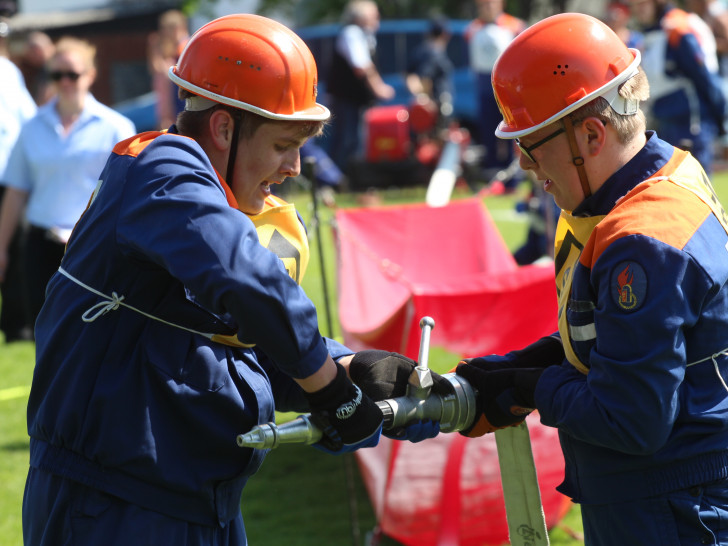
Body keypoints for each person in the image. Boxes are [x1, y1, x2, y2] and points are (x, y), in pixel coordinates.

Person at [21, 14, 443, 546]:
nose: (294, 167)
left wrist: (355, 367)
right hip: (113, 507)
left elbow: (238, 342)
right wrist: (334, 393)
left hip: (200, 503)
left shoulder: (209, 203)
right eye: (284, 143)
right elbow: (251, 285)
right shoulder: (164, 167)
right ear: (223, 127)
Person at [439, 12, 728, 545]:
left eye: (530, 144)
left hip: (670, 510)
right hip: (663, 496)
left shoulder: (641, 240)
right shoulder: (660, 177)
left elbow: (630, 418)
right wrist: (511, 371)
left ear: (590, 134)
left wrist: (527, 387)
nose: (524, 164)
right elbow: (615, 341)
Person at [0, 36, 136, 331]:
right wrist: (1, 247)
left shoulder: (116, 127)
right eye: (56, 75)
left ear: (90, 75)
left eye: (72, 74)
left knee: (91, 331)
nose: (64, 82)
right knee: (43, 330)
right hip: (40, 243)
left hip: (92, 242)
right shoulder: (32, 127)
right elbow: (16, 191)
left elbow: (129, 193)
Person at [630, 0, 726, 176]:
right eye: (635, 5)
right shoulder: (649, 32)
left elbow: (703, 75)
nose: (638, 10)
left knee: (695, 186)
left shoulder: (677, 28)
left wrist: (721, 116)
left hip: (690, 124)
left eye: (642, 4)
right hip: (665, 122)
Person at [326, 0, 395, 173]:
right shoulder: (352, 33)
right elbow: (361, 66)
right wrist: (379, 88)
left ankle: (350, 178)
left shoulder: (366, 35)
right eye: (374, 15)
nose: (377, 19)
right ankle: (340, 179)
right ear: (361, 17)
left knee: (357, 141)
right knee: (348, 141)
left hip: (356, 100)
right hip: (347, 100)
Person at [0, 17, 36, 342]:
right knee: (11, 247)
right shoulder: (8, 71)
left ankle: (15, 324)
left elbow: (27, 120)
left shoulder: (9, 71)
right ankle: (14, 324)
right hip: (8, 175)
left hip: (8, 176)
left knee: (12, 248)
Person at [465, 0, 525, 185]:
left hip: (508, 88)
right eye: (483, 4)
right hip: (484, 87)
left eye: (491, 3)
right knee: (489, 131)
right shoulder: (472, 29)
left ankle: (512, 176)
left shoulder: (514, 26)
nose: (487, 7)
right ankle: (492, 175)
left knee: (512, 130)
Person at [405, 15, 455, 127]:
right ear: (445, 34)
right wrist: (426, 99)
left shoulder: (419, 51)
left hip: (428, 105)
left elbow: (408, 75)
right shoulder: (434, 53)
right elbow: (424, 79)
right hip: (436, 107)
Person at [147, 9, 189, 129]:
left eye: (165, 29)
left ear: (176, 28)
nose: (163, 34)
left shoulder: (184, 50)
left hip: (183, 113)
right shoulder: (178, 51)